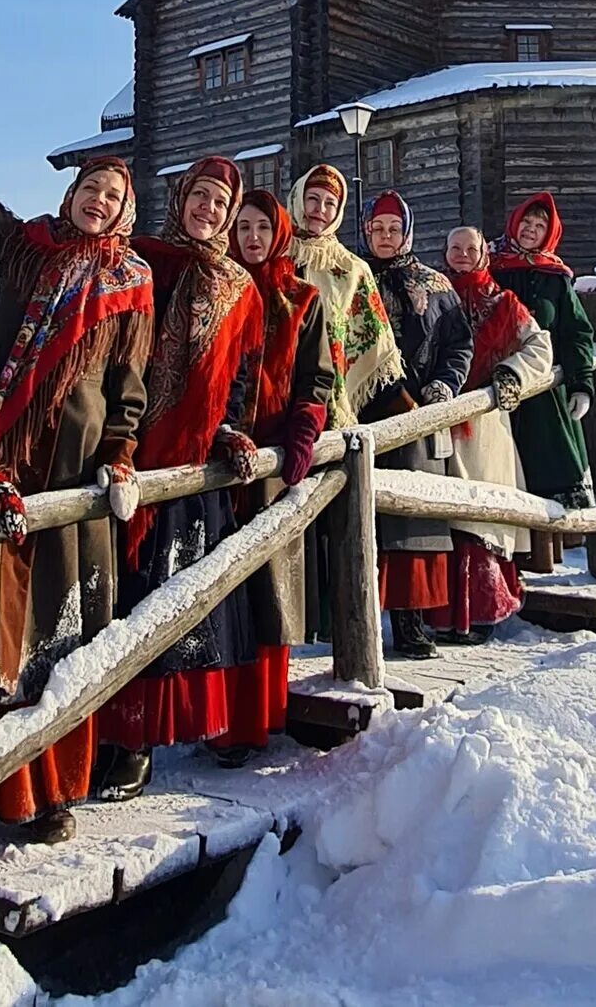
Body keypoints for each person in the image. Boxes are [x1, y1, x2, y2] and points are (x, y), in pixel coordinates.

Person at [0, 24, 154, 849]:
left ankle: (56, 790)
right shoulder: (26, 248)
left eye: (114, 196)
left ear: (127, 214)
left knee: (66, 640)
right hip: (1, 465)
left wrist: (122, 453)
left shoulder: (134, 282)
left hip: (77, 482)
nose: (99, 200)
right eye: (91, 188)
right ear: (71, 196)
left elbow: (130, 384)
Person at [95, 158, 267, 793]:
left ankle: (200, 724)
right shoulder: (145, 260)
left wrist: (228, 427)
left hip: (195, 466)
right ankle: (127, 740)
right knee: (130, 599)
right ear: (181, 198)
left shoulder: (239, 288)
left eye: (222, 204)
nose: (210, 211)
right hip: (132, 451)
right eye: (202, 197)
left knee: (191, 600)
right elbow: (119, 351)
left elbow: (239, 379)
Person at [220, 188, 334, 752]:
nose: (252, 238)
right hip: (219, 462)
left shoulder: (303, 299)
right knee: (224, 595)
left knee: (269, 594)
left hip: (272, 466)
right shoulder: (220, 289)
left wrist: (303, 433)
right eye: (242, 228)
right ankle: (224, 726)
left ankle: (265, 715)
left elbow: (318, 378)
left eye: (262, 227)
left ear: (279, 231)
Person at [362, 190, 473, 660]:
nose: (385, 237)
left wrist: (445, 386)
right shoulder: (354, 278)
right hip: (366, 414)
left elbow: (458, 344)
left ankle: (412, 625)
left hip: (419, 418)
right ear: (365, 231)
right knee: (363, 521)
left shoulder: (436, 285)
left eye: (393, 228)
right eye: (377, 228)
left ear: (407, 232)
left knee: (413, 521)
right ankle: (359, 624)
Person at [435, 226, 555, 642]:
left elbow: (540, 346)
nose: (462, 255)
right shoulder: (433, 296)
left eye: (470, 248)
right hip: (437, 417)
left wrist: (510, 375)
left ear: (484, 253)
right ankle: (442, 616)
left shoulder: (504, 303)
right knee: (443, 517)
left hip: (484, 422)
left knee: (480, 515)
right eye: (455, 249)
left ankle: (483, 612)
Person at [489, 193, 596, 527]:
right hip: (495, 382)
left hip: (544, 391)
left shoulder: (556, 278)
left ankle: (549, 549)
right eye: (526, 221)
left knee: (548, 471)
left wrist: (581, 384)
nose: (531, 230)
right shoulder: (492, 266)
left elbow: (576, 333)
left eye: (540, 226)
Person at [286, 165, 407, 429]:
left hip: (326, 392)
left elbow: (372, 340)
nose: (320, 209)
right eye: (312, 199)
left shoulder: (352, 269)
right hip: (278, 389)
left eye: (330, 202)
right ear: (297, 199)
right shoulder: (276, 255)